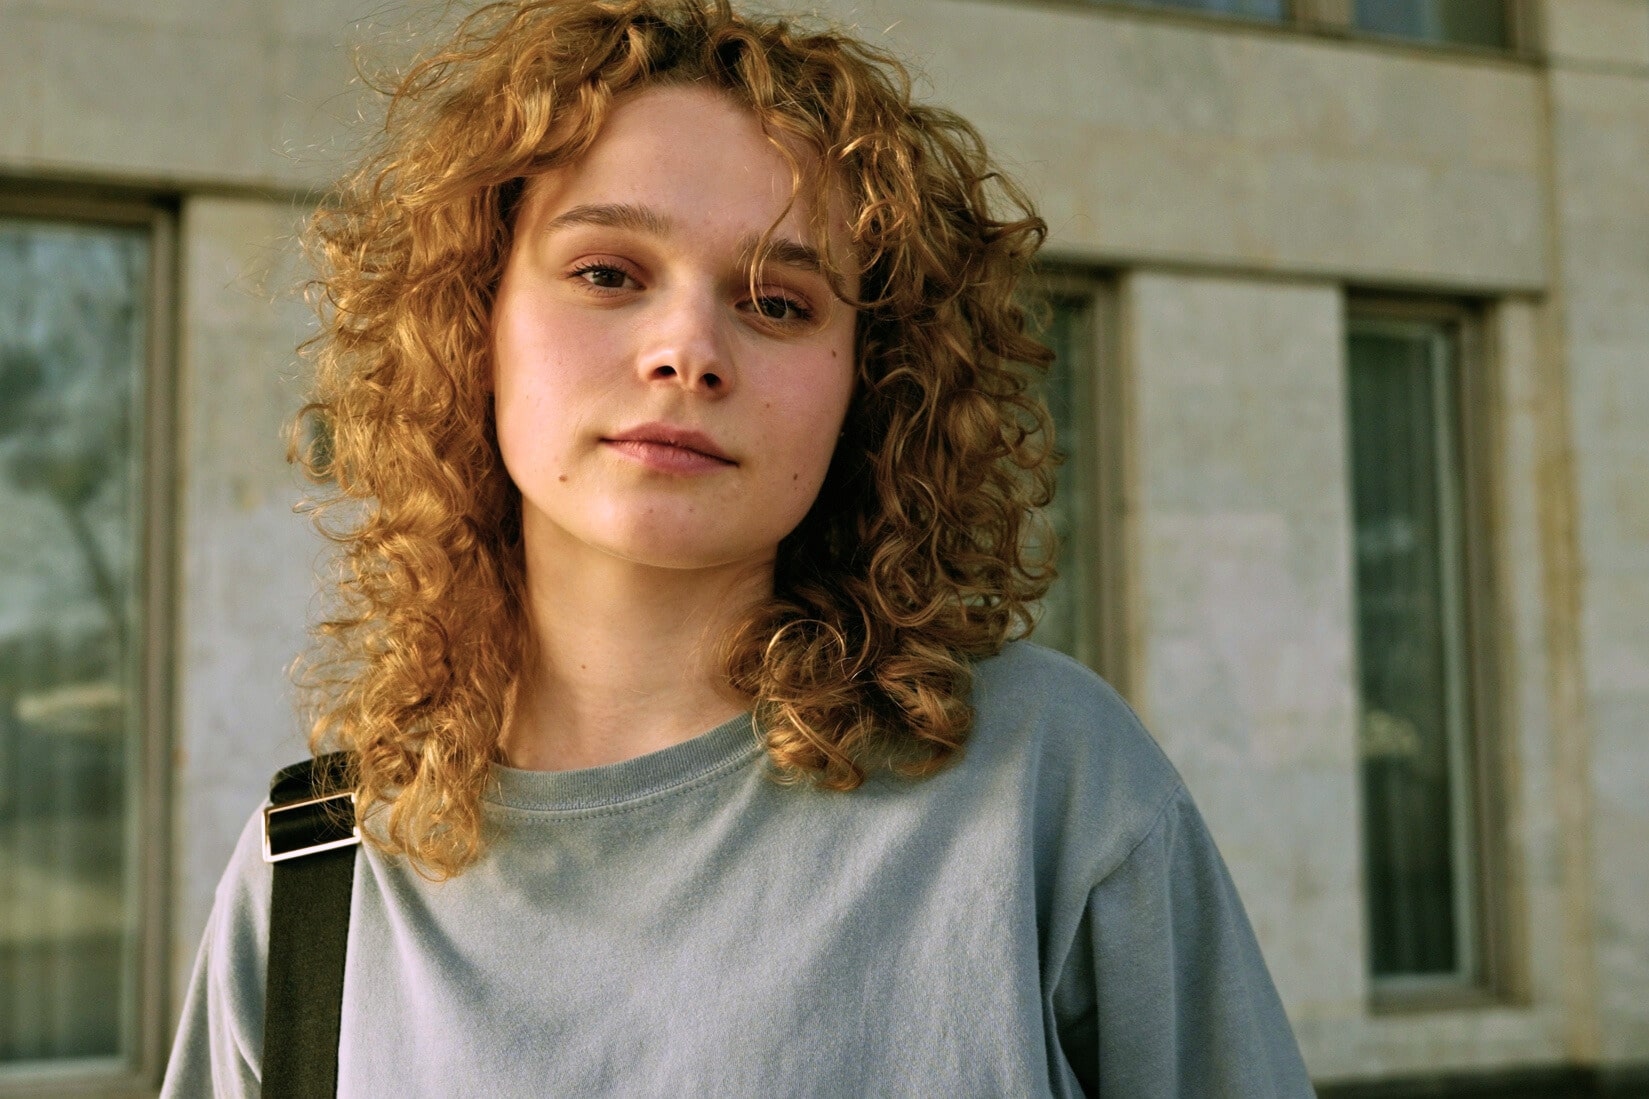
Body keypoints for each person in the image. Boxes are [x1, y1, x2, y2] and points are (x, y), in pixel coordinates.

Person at [161, 0, 1315, 1095]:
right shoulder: (312, 878)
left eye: (776, 301)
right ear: (473, 321)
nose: (687, 349)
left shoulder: (1045, 785)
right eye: (607, 273)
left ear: (870, 382)